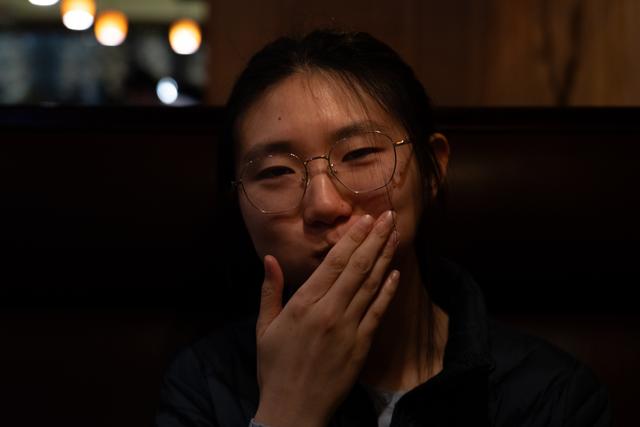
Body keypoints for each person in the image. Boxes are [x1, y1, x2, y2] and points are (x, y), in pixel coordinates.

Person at [155, 29, 611, 427]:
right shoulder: (203, 385)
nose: (323, 205)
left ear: (432, 170)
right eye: (275, 172)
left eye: (358, 156)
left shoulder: (551, 396)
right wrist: (288, 413)